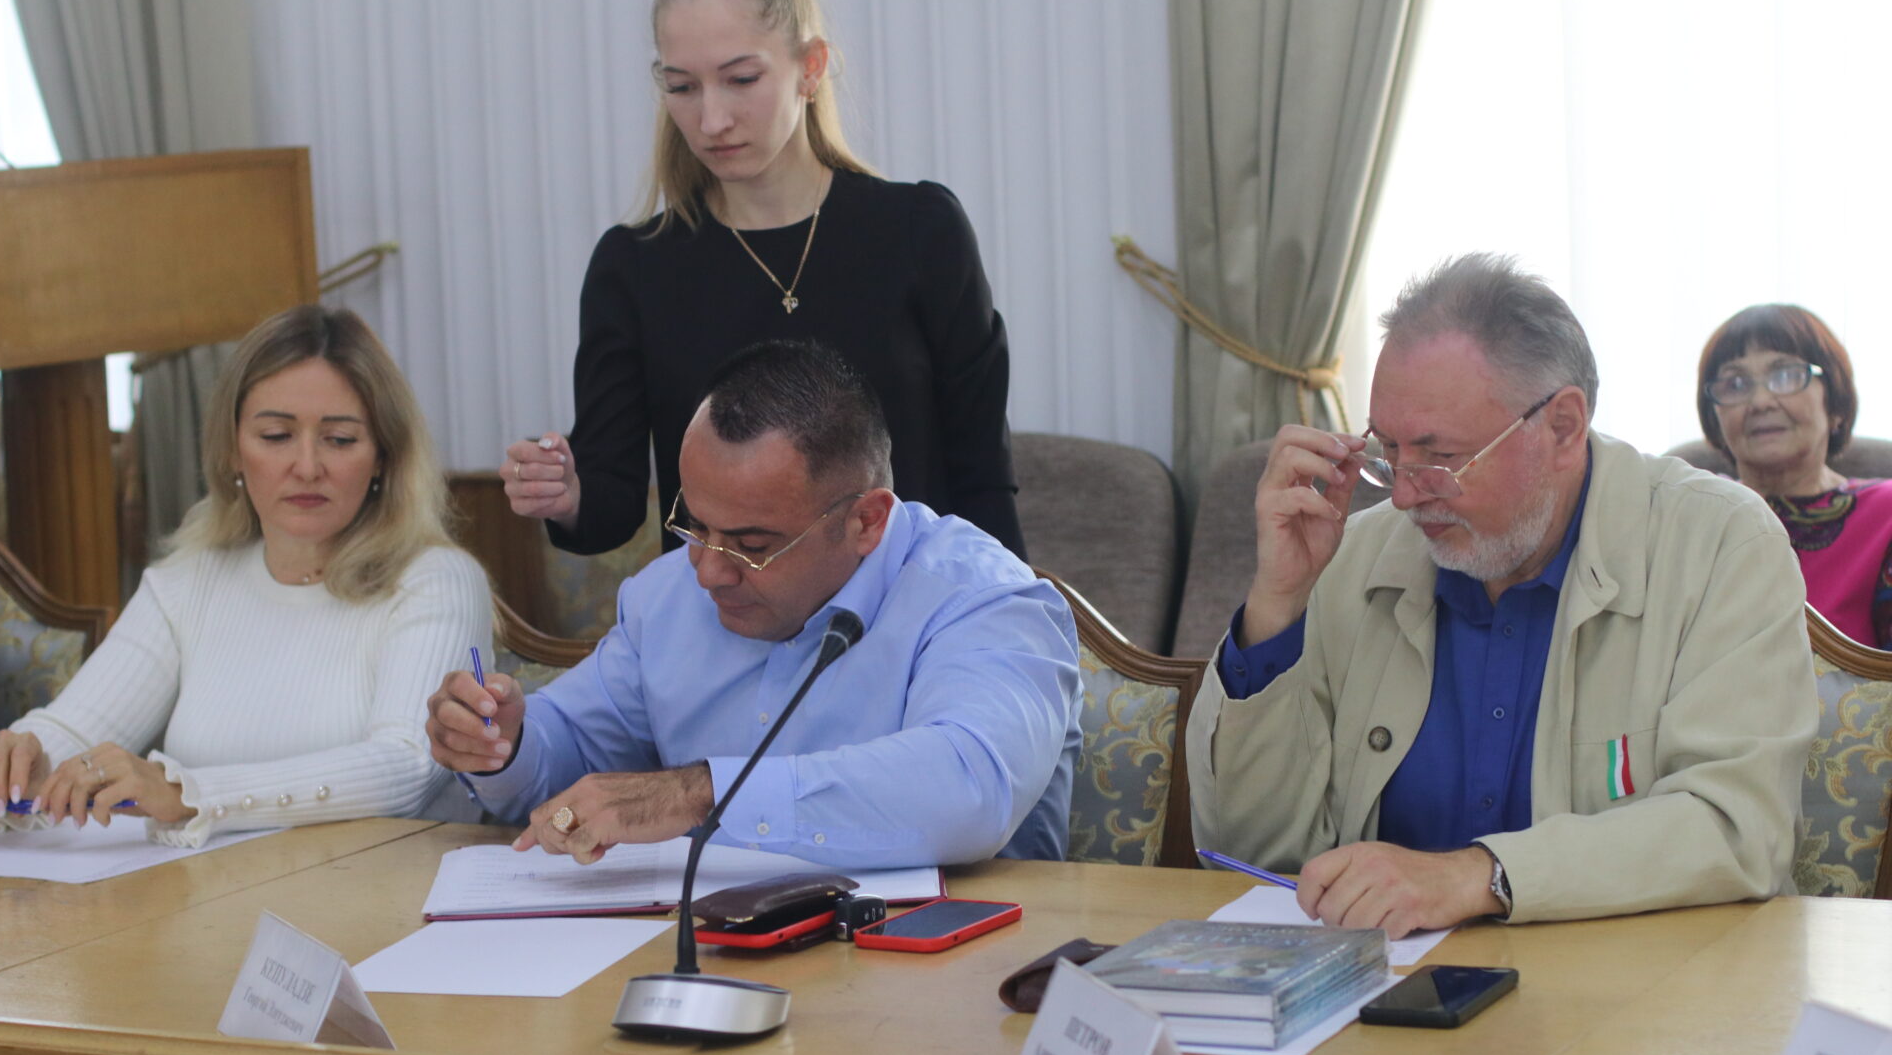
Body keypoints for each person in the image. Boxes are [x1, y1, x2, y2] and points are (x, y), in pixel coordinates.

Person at [1186, 254, 1815, 936]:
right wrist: (1278, 604)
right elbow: (1250, 853)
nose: (1404, 495)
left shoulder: (1720, 544)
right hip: (1382, 986)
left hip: (1645, 984)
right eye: (1388, 450)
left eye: (1439, 457)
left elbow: (1735, 827)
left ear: (1563, 427)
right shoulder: (1349, 556)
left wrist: (1480, 876)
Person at [435, 339, 1076, 868]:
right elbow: (569, 750)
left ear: (866, 522)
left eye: (753, 545)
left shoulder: (984, 599)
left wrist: (700, 793)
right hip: (711, 945)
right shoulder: (666, 596)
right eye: (696, 525)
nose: (709, 571)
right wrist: (505, 744)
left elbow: (970, 788)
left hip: (953, 957)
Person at [499, 0, 1026, 562]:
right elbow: (611, 509)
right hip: (722, 606)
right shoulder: (634, 266)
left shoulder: (922, 231)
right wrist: (567, 495)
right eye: (682, 87)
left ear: (810, 67)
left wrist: (1008, 607)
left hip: (912, 602)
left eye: (742, 79)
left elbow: (982, 474)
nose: (711, 120)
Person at [0, 306, 492, 848]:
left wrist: (189, 793)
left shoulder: (438, 580)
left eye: (339, 439)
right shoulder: (191, 578)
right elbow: (78, 727)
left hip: (376, 891)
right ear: (232, 451)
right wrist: (23, 757)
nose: (307, 466)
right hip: (204, 891)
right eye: (276, 435)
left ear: (384, 455)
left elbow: (407, 766)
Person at [1695, 304, 1892, 647]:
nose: (1761, 402)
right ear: (1714, 417)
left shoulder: (1885, 514)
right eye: (1735, 383)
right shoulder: (1691, 512)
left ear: (1834, 403)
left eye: (1785, 375)